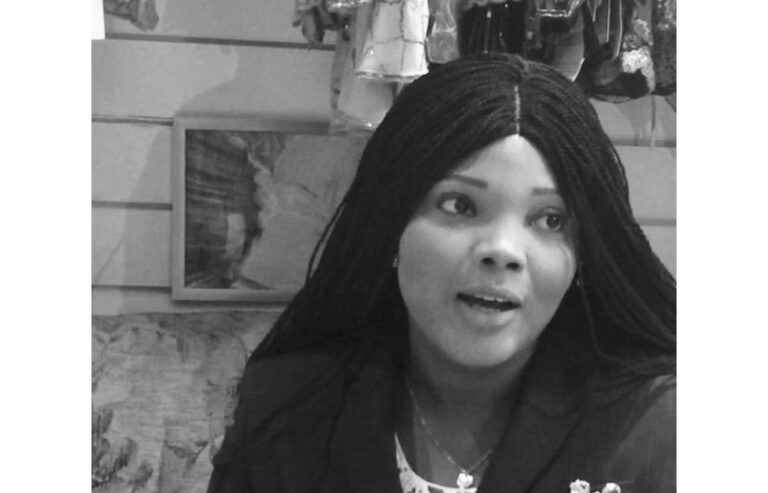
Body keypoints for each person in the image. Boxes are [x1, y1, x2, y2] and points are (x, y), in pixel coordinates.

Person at [207, 52, 676, 493]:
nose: (503, 251)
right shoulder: (288, 410)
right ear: (389, 224)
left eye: (550, 219)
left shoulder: (654, 427)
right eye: (460, 206)